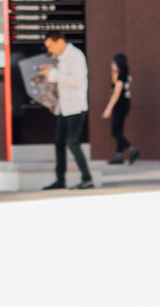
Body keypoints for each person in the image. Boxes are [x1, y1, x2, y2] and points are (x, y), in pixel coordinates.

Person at [41, 32, 95, 190]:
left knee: (72, 142)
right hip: (64, 108)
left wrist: (54, 74)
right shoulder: (60, 58)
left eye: (51, 46)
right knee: (59, 143)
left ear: (60, 42)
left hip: (76, 107)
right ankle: (60, 180)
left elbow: (76, 81)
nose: (50, 50)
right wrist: (52, 71)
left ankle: (87, 179)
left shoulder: (76, 56)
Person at [103, 53, 140, 166]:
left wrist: (108, 109)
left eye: (114, 62)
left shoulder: (121, 76)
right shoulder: (125, 75)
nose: (112, 64)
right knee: (119, 131)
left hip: (119, 105)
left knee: (115, 132)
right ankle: (119, 156)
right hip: (124, 105)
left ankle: (132, 149)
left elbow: (116, 94)